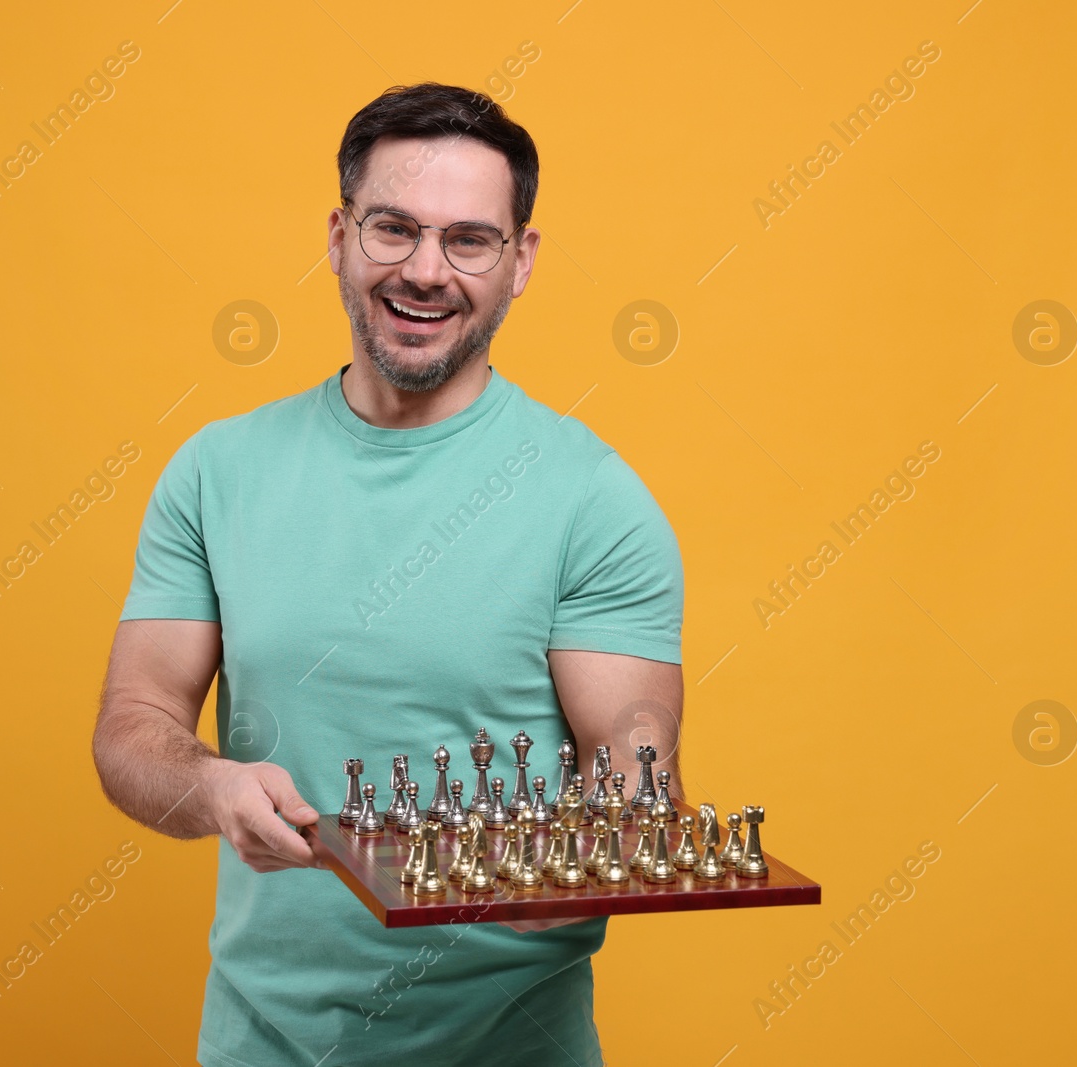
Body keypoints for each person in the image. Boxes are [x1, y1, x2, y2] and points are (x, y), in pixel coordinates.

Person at [92, 81, 685, 1067]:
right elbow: (133, 722)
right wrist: (209, 786)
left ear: (519, 260)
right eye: (393, 228)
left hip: (510, 1042)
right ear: (337, 235)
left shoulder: (593, 495)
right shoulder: (216, 470)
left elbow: (633, 741)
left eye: (467, 239)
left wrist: (609, 837)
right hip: (262, 1038)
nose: (424, 270)